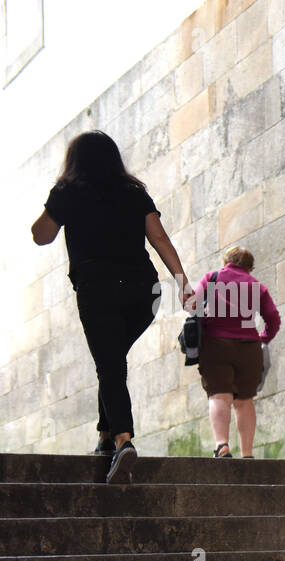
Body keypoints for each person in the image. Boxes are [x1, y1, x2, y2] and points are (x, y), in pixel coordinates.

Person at [30, 130, 195, 484]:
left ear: (74, 160)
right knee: (111, 360)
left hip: (98, 289)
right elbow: (160, 238)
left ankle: (123, 441)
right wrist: (182, 283)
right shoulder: (134, 192)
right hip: (143, 292)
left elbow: (41, 235)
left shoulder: (68, 191)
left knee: (109, 364)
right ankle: (105, 436)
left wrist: (56, 201)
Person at [193, 245, 280, 458]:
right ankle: (247, 454)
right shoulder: (255, 285)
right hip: (249, 348)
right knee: (244, 400)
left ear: (226, 261)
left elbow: (192, 305)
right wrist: (262, 338)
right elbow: (273, 319)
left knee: (220, 396)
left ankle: (222, 445)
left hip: (216, 344)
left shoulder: (211, 278)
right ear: (249, 267)